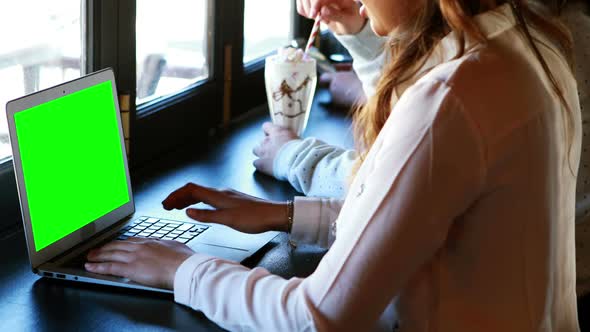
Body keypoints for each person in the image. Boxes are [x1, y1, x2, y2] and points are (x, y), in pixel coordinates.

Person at [84, 0, 582, 330]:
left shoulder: (453, 96)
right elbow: (428, 213)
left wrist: (182, 269)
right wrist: (288, 216)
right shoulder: (525, 46)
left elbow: (316, 318)